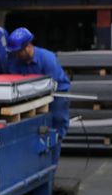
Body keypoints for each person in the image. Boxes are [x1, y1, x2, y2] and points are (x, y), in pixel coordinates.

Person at [5, 27, 71, 162]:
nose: (17, 55)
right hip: (30, 96)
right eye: (15, 52)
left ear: (28, 47)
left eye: (19, 52)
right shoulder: (15, 62)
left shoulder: (47, 59)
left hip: (56, 94)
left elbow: (51, 85)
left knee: (55, 127)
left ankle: (52, 163)